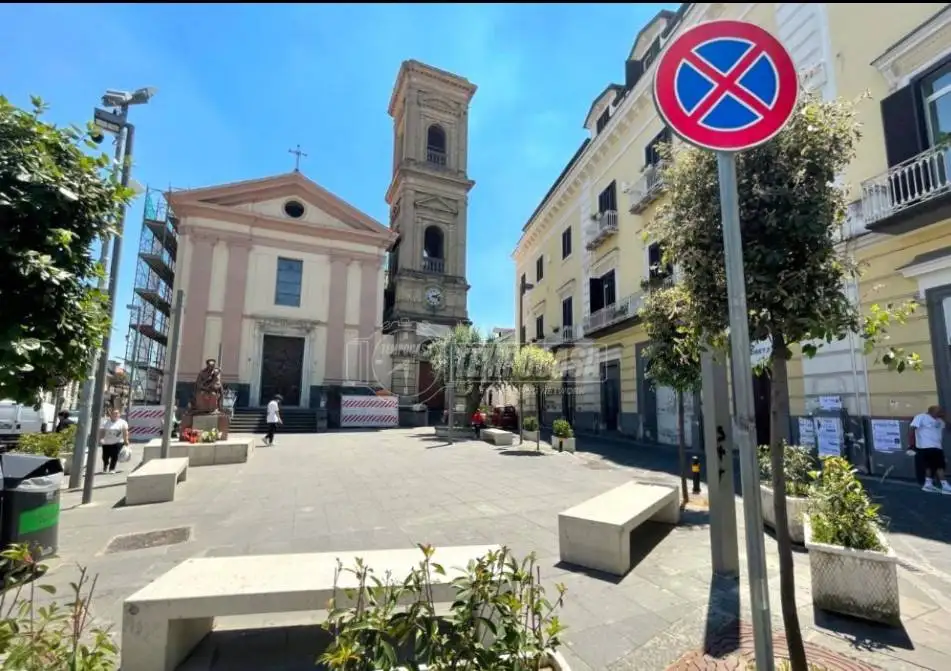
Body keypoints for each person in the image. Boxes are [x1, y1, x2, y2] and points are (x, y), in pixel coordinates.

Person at [909, 405, 951, 494]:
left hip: (937, 446)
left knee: (930, 466)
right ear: (931, 411)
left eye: (941, 412)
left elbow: (948, 429)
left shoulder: (940, 420)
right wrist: (911, 444)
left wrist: (946, 418)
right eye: (938, 411)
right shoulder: (921, 417)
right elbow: (912, 428)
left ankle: (928, 484)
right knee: (939, 466)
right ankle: (945, 485)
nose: (940, 413)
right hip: (925, 446)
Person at [99, 407, 129, 474]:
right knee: (105, 457)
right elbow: (102, 431)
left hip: (118, 442)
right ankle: (105, 465)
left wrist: (126, 440)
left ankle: (112, 469)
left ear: (119, 414)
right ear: (110, 414)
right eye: (114, 413)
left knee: (114, 455)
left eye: (117, 413)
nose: (115, 415)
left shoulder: (122, 422)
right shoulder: (105, 422)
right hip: (107, 442)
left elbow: (125, 432)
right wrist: (101, 439)